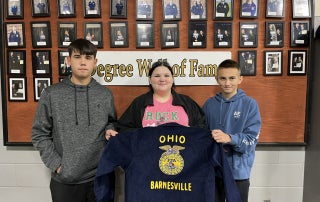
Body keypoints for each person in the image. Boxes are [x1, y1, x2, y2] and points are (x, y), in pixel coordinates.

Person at [31, 38, 117, 202]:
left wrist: (109, 129)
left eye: (88, 57)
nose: (83, 62)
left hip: (100, 178)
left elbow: (111, 121)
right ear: (68, 60)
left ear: (95, 62)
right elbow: (39, 134)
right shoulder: (51, 94)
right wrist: (57, 165)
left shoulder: (105, 94)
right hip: (66, 181)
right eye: (78, 57)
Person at [202, 59, 261, 202]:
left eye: (232, 78)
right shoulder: (209, 104)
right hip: (215, 170)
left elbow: (252, 140)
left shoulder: (250, 104)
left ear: (240, 79)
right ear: (217, 79)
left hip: (238, 172)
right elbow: (202, 135)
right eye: (223, 78)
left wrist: (230, 138)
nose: (227, 83)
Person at [116, 59, 206, 133]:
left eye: (166, 75)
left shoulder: (187, 102)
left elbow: (202, 127)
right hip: (148, 153)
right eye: (157, 76)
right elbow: (123, 128)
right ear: (150, 79)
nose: (162, 79)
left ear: (172, 79)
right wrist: (143, 134)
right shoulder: (139, 103)